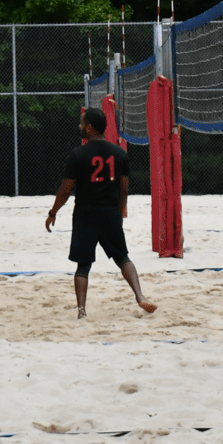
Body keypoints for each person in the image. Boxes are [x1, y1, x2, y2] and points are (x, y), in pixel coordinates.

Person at [46, 107, 157, 319]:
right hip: (109, 213)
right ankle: (140, 296)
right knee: (123, 257)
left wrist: (53, 212)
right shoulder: (120, 153)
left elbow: (65, 190)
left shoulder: (77, 155)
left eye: (81, 123)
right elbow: (124, 189)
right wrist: (118, 213)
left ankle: (81, 310)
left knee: (83, 265)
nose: (79, 126)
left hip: (85, 214)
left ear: (89, 127)